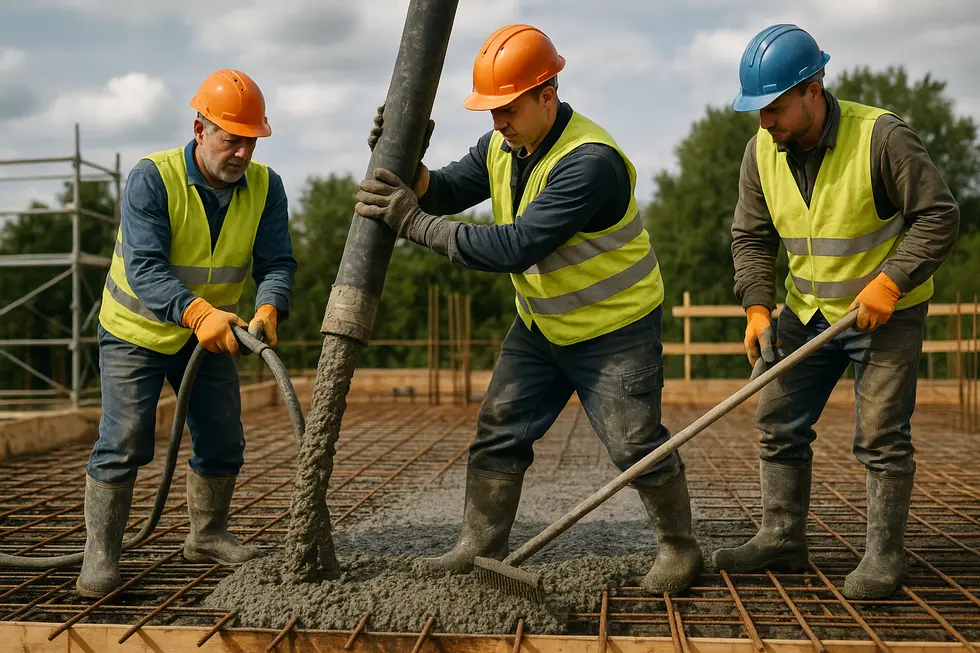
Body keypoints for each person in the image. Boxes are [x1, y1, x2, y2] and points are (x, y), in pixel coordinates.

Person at [356, 24, 702, 594]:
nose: (497, 122)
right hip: (542, 324)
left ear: (548, 95)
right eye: (490, 110)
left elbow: (516, 244)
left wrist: (412, 224)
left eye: (507, 108)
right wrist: (402, 162)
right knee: (499, 430)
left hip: (616, 329)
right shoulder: (504, 144)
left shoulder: (589, 163)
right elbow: (442, 189)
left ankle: (679, 547)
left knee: (633, 443)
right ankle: (479, 546)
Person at [711, 24, 959, 599]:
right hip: (807, 309)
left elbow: (938, 216)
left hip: (884, 311)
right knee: (777, 419)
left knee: (880, 436)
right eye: (757, 111)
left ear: (813, 90)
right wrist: (756, 306)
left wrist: (891, 282)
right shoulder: (760, 152)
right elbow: (750, 236)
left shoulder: (883, 137)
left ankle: (884, 557)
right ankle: (782, 538)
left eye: (774, 108)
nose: (765, 121)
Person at [79, 69, 297, 597]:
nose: (242, 153)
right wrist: (199, 314)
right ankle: (101, 556)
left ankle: (207, 535)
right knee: (125, 439)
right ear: (200, 130)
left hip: (213, 332)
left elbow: (277, 262)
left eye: (251, 140)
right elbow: (146, 267)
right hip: (138, 331)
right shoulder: (152, 177)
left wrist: (269, 307)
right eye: (231, 139)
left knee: (223, 440)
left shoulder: (266, 187)